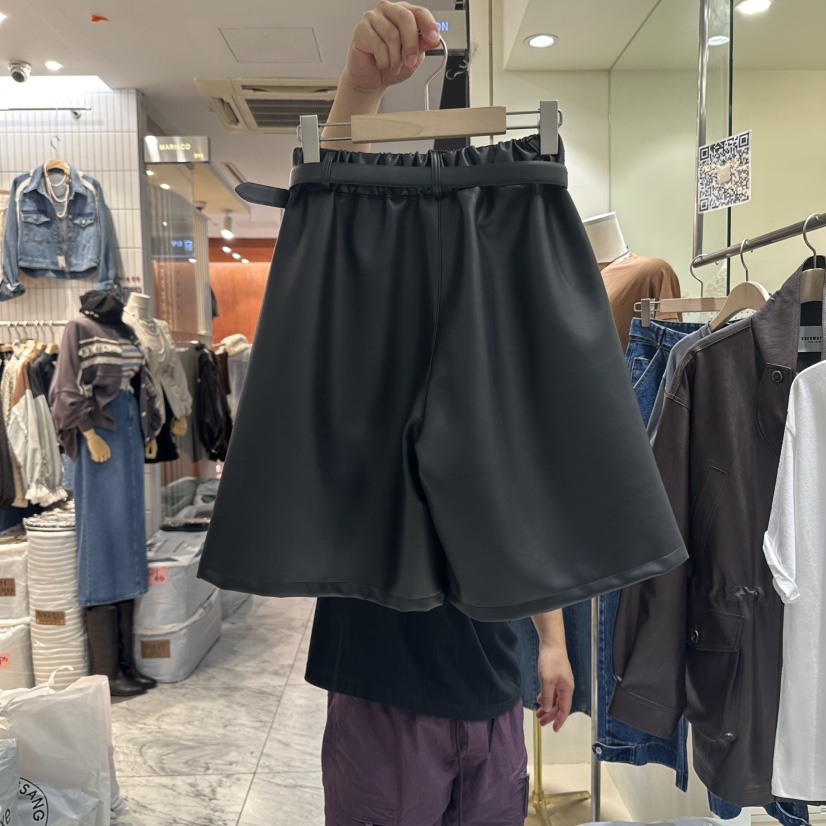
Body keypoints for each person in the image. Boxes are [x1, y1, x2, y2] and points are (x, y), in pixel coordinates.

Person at [303, 4, 576, 824]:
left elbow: (525, 509)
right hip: (383, 687)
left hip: (492, 686)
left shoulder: (502, 356)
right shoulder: (368, 351)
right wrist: (359, 94)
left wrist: (553, 642)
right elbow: (335, 230)